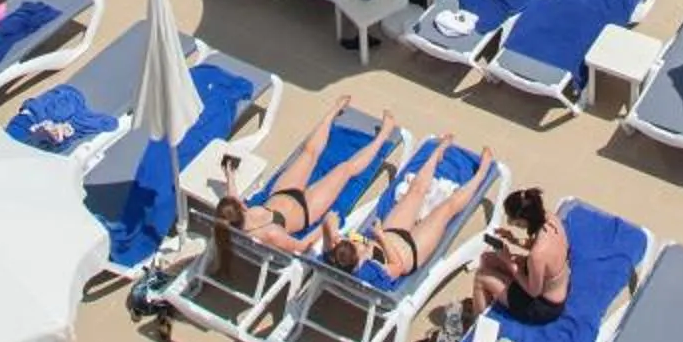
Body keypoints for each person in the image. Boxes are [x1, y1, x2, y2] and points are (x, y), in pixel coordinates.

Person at [209, 104, 401, 274]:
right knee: (345, 169)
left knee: (309, 153)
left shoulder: (234, 224)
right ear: (241, 210)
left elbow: (233, 199)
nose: (241, 201)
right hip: (306, 210)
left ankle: (333, 112)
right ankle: (384, 133)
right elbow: (300, 246)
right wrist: (324, 227)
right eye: (240, 204)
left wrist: (230, 175)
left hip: (280, 193)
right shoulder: (271, 235)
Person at [325, 147, 499, 286]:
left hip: (391, 233)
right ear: (354, 264)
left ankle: (436, 155)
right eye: (358, 249)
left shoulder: (334, 259)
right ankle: (482, 172)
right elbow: (397, 267)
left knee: (415, 192)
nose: (360, 246)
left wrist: (331, 229)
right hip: (411, 250)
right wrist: (380, 237)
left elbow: (329, 239)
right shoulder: (368, 273)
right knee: (446, 209)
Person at [472, 187, 569, 325]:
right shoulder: (550, 219)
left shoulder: (537, 255)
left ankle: (478, 327)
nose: (511, 223)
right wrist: (513, 240)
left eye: (513, 220)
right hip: (551, 281)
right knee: (487, 258)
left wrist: (508, 261)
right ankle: (486, 303)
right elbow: (537, 246)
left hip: (543, 306)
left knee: (480, 278)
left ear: (523, 220)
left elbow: (533, 291)